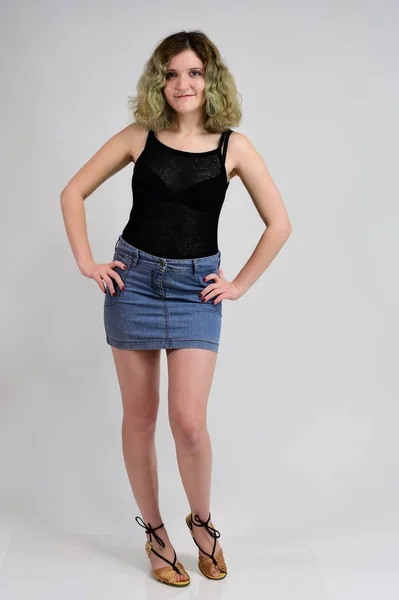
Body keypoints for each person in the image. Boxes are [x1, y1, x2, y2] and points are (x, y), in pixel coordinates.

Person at [60, 30, 292, 587]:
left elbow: (279, 224)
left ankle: (204, 524)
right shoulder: (140, 136)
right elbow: (73, 192)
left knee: (188, 423)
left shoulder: (233, 147)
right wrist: (88, 262)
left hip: (195, 291)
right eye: (171, 73)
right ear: (158, 81)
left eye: (193, 72)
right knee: (139, 418)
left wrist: (236, 284)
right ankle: (157, 533)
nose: (182, 84)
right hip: (133, 282)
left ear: (210, 78)